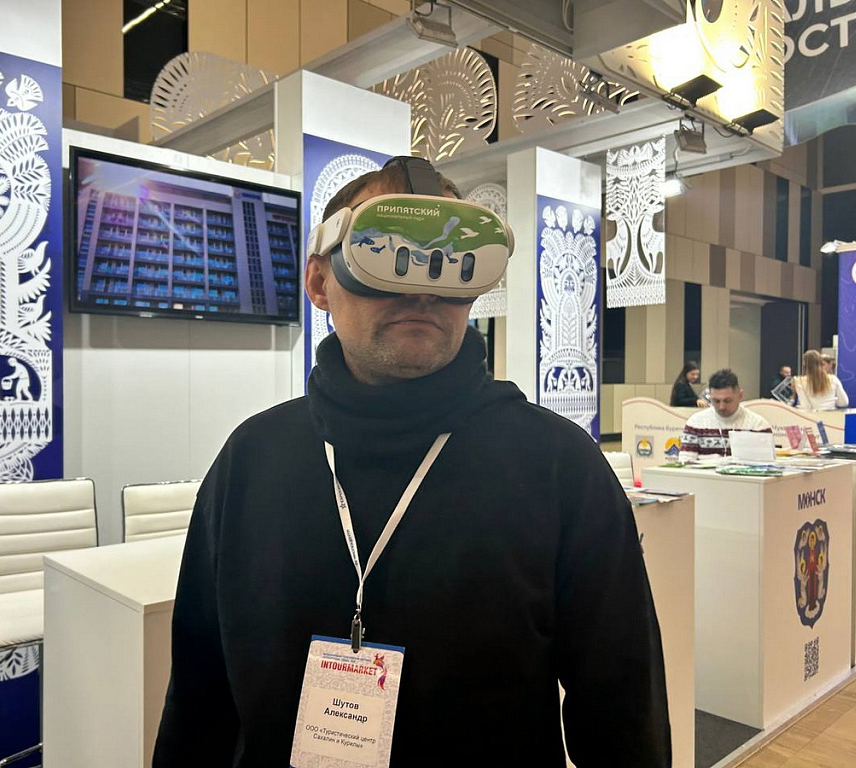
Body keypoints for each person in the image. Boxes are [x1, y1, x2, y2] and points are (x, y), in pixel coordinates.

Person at [153, 157, 670, 766]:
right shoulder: (250, 459)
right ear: (319, 283)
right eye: (385, 254)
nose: (423, 290)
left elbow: (623, 707)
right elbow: (199, 695)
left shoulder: (560, 466)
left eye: (451, 264)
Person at [680, 368, 772, 459]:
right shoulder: (695, 423)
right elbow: (686, 462)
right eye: (716, 401)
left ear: (740, 395)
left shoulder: (758, 425)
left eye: (727, 401)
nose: (721, 407)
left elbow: (765, 465)